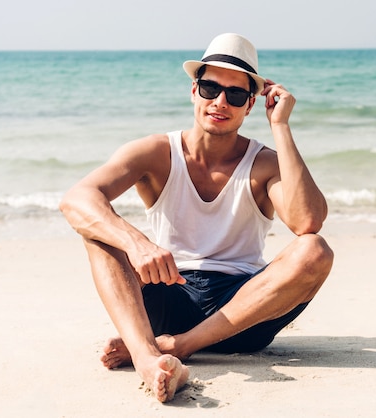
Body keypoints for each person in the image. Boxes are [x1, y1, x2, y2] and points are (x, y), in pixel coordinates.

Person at [60, 33, 334, 403]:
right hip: (167, 292)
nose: (220, 102)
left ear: (250, 105)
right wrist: (137, 244)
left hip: (242, 312)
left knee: (315, 249)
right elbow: (77, 199)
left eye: (235, 95)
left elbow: (308, 223)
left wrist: (281, 127)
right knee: (99, 235)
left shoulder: (264, 163)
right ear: (194, 91)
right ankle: (147, 359)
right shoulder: (156, 152)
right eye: (210, 88)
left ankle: (177, 348)